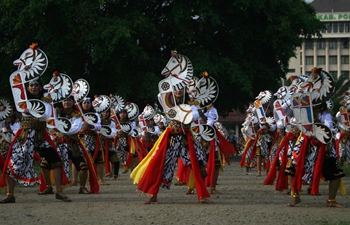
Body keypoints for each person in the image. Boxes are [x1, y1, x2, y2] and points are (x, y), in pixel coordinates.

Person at [130, 87, 213, 204]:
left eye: (181, 89)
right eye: (175, 89)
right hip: (171, 139)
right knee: (159, 164)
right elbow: (160, 94)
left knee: (199, 164)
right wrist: (171, 81)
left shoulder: (191, 105)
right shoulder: (168, 102)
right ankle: (153, 194)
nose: (178, 91)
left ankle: (202, 195)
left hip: (186, 139)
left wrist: (184, 113)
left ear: (185, 91)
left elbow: (195, 116)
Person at [0, 79, 70, 203]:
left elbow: (46, 115)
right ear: (27, 88)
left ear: (40, 87)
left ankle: (59, 191)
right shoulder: (22, 99)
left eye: (36, 85)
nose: (34, 87)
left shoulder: (46, 100)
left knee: (56, 161)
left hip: (41, 134)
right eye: (31, 85)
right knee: (14, 162)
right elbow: (22, 110)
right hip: (26, 134)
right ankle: (10, 194)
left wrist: (31, 111)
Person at [100, 108, 120, 180]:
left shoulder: (112, 122)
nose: (105, 114)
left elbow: (113, 132)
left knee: (116, 160)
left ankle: (115, 175)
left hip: (109, 144)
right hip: (99, 144)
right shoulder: (98, 121)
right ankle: (99, 177)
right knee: (99, 161)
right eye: (104, 112)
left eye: (107, 112)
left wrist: (107, 135)